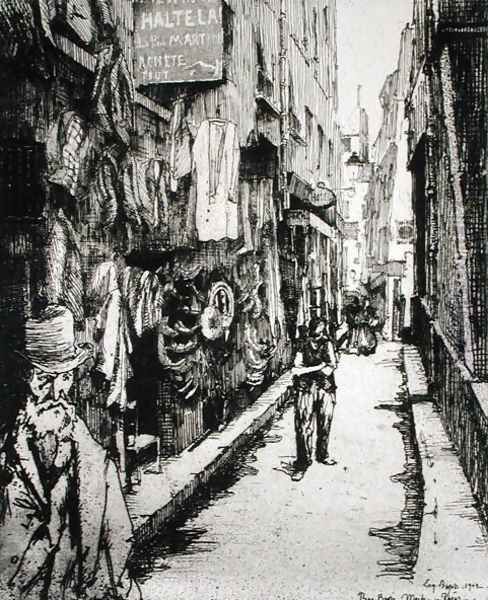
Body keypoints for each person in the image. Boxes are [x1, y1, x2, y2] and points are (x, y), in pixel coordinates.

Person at [0, 304, 142, 600]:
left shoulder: (97, 465)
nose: (56, 393)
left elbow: (119, 550)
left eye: (64, 378)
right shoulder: (7, 454)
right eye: (43, 380)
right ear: (24, 380)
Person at [291, 317, 338, 481]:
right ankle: (302, 462)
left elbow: (331, 366)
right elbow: (296, 368)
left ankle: (323, 454)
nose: (321, 332)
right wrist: (318, 368)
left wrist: (312, 370)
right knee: (303, 425)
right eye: (319, 328)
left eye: (323, 329)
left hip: (325, 387)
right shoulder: (303, 344)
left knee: (325, 421)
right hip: (305, 388)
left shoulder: (327, 343)